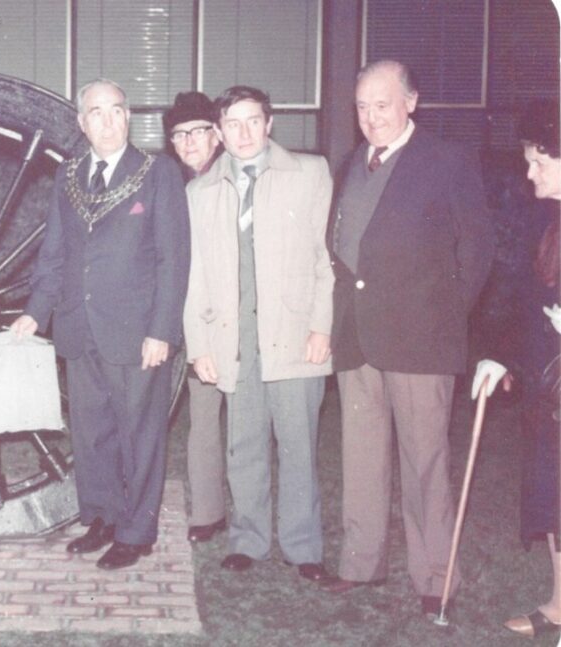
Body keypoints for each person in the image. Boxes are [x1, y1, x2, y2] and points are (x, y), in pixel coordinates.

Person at [322, 60, 495, 619]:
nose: (372, 117)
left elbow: (477, 252)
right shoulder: (353, 163)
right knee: (363, 459)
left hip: (421, 343)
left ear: (411, 102)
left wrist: (443, 316)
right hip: (359, 341)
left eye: (383, 104)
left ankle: (434, 576)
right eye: (363, 107)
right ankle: (361, 562)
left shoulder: (448, 162)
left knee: (425, 465)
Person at [11, 79, 190, 570]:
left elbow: (174, 261)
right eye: (97, 112)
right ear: (81, 122)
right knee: (91, 434)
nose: (108, 121)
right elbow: (54, 254)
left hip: (136, 333)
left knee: (140, 434)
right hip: (77, 326)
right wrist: (35, 311)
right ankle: (103, 518)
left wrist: (163, 330)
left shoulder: (158, 174)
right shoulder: (68, 175)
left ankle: (136, 532)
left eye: (116, 111)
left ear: (128, 117)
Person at [183, 86, 333, 581]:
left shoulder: (309, 173)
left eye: (253, 121)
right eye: (232, 124)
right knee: (242, 444)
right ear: (219, 132)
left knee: (297, 445)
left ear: (269, 124)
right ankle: (248, 540)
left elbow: (323, 259)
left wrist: (320, 325)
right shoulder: (200, 191)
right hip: (235, 340)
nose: (244, 133)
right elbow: (197, 274)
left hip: (293, 335)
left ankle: (303, 546)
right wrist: (200, 346)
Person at [471, 99, 561, 638]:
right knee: (552, 492)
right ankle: (559, 603)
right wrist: (499, 352)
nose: (528, 173)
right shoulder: (543, 218)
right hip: (549, 389)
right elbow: (522, 294)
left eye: (539, 162)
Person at [163, 91, 228, 544]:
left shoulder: (232, 179)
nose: (188, 142)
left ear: (216, 134)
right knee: (183, 416)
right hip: (184, 322)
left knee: (224, 422)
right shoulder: (176, 184)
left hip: (222, 322)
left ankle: (224, 512)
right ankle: (200, 510)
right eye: (179, 135)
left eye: (197, 132)